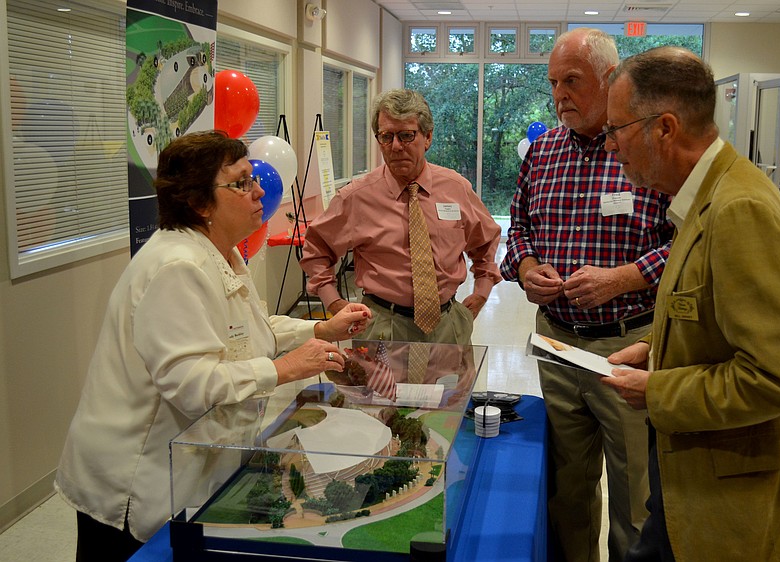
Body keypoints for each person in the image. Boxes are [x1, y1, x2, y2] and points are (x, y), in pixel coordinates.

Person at [54, 130, 372, 562]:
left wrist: (320, 329)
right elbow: (192, 385)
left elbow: (247, 331)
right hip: (130, 480)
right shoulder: (176, 267)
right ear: (200, 203)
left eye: (252, 178)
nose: (259, 190)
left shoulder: (221, 252)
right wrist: (285, 368)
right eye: (241, 183)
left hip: (184, 466)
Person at [601, 47, 780, 561]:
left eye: (616, 129)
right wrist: (653, 347)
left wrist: (658, 390)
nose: (610, 144)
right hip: (697, 474)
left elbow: (777, 376)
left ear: (664, 128)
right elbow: (708, 312)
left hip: (736, 497)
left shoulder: (739, 209)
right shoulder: (703, 198)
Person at [500, 28, 675, 561]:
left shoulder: (647, 151)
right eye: (553, 83)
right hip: (556, 345)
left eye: (571, 81)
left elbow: (688, 244)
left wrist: (623, 278)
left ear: (609, 78)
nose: (560, 95)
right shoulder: (541, 153)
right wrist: (528, 267)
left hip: (626, 348)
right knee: (566, 491)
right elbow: (518, 229)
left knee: (634, 497)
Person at [300, 88, 502, 345]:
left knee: (453, 375)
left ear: (428, 137)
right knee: (375, 376)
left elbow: (485, 240)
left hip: (448, 326)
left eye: (406, 135)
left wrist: (482, 291)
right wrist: (333, 302)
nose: (395, 146)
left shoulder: (456, 188)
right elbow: (316, 249)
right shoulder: (357, 197)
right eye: (386, 136)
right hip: (382, 326)